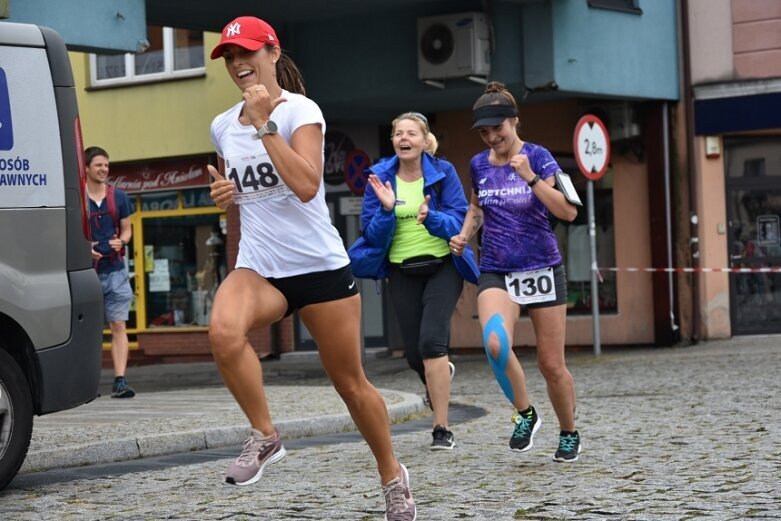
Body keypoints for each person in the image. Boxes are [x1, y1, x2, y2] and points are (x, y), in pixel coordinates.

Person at [206, 16, 416, 519]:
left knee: (350, 385)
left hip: (319, 268)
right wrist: (225, 196)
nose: (239, 64)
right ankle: (265, 434)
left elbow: (303, 186)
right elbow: (244, 190)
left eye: (248, 53)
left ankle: (392, 475)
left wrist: (264, 124)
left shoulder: (302, 111)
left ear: (273, 53)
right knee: (222, 331)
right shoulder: (220, 125)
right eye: (230, 57)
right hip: (260, 265)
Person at [449, 81, 582, 462]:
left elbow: (568, 212)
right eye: (485, 131)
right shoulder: (477, 165)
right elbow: (478, 209)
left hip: (542, 266)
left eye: (498, 129)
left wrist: (530, 178)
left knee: (551, 365)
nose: (492, 137)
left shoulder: (539, 158)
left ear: (515, 122)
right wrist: (463, 234)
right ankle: (525, 413)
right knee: (494, 343)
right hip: (497, 269)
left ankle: (569, 431)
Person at [348, 112, 479, 451]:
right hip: (400, 269)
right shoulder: (378, 177)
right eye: (398, 133)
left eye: (411, 133)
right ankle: (437, 379)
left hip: (442, 266)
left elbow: (458, 222)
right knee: (412, 355)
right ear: (393, 141)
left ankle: (441, 428)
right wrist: (387, 210)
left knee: (432, 343)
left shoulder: (443, 172)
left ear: (424, 141)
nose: (404, 138)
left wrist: (430, 217)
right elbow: (371, 235)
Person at [85, 146, 136, 399]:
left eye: (106, 165)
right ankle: (87, 385)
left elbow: (127, 230)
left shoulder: (119, 197)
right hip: (87, 274)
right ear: (86, 168)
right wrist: (85, 249)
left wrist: (122, 242)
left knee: (118, 325)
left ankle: (120, 381)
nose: (104, 169)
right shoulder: (76, 199)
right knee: (90, 330)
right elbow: (68, 232)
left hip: (116, 271)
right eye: (98, 165)